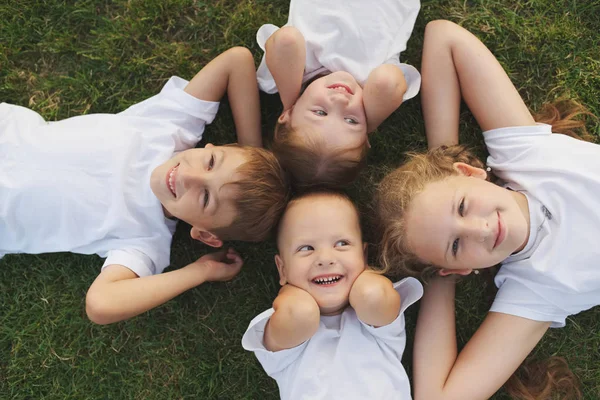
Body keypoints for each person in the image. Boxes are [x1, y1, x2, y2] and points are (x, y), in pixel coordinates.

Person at [375, 20, 598, 400]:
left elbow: (444, 36)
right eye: (457, 245)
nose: (479, 229)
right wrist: (442, 279)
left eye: (462, 204)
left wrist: (443, 154)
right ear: (460, 270)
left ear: (471, 173)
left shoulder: (524, 154)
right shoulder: (535, 291)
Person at [0, 47, 290, 325]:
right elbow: (236, 61)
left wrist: (199, 270)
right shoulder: (169, 127)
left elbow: (101, 304)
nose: (190, 177)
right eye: (212, 162)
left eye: (205, 198)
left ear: (204, 234)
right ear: (216, 146)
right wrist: (248, 151)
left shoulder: (145, 240)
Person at [243, 190, 423, 400]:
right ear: (282, 269)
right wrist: (290, 291)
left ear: (363, 256)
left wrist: (360, 273)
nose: (325, 259)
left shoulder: (378, 325)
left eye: (341, 244)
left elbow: (374, 295)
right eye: (306, 248)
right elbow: (297, 314)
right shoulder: (287, 337)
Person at [256, 0, 422, 188]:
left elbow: (285, 40)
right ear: (365, 137)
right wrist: (370, 121)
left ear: (288, 116)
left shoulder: (291, 73)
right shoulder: (372, 82)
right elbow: (388, 83)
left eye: (320, 112)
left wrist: (290, 102)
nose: (340, 101)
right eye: (351, 121)